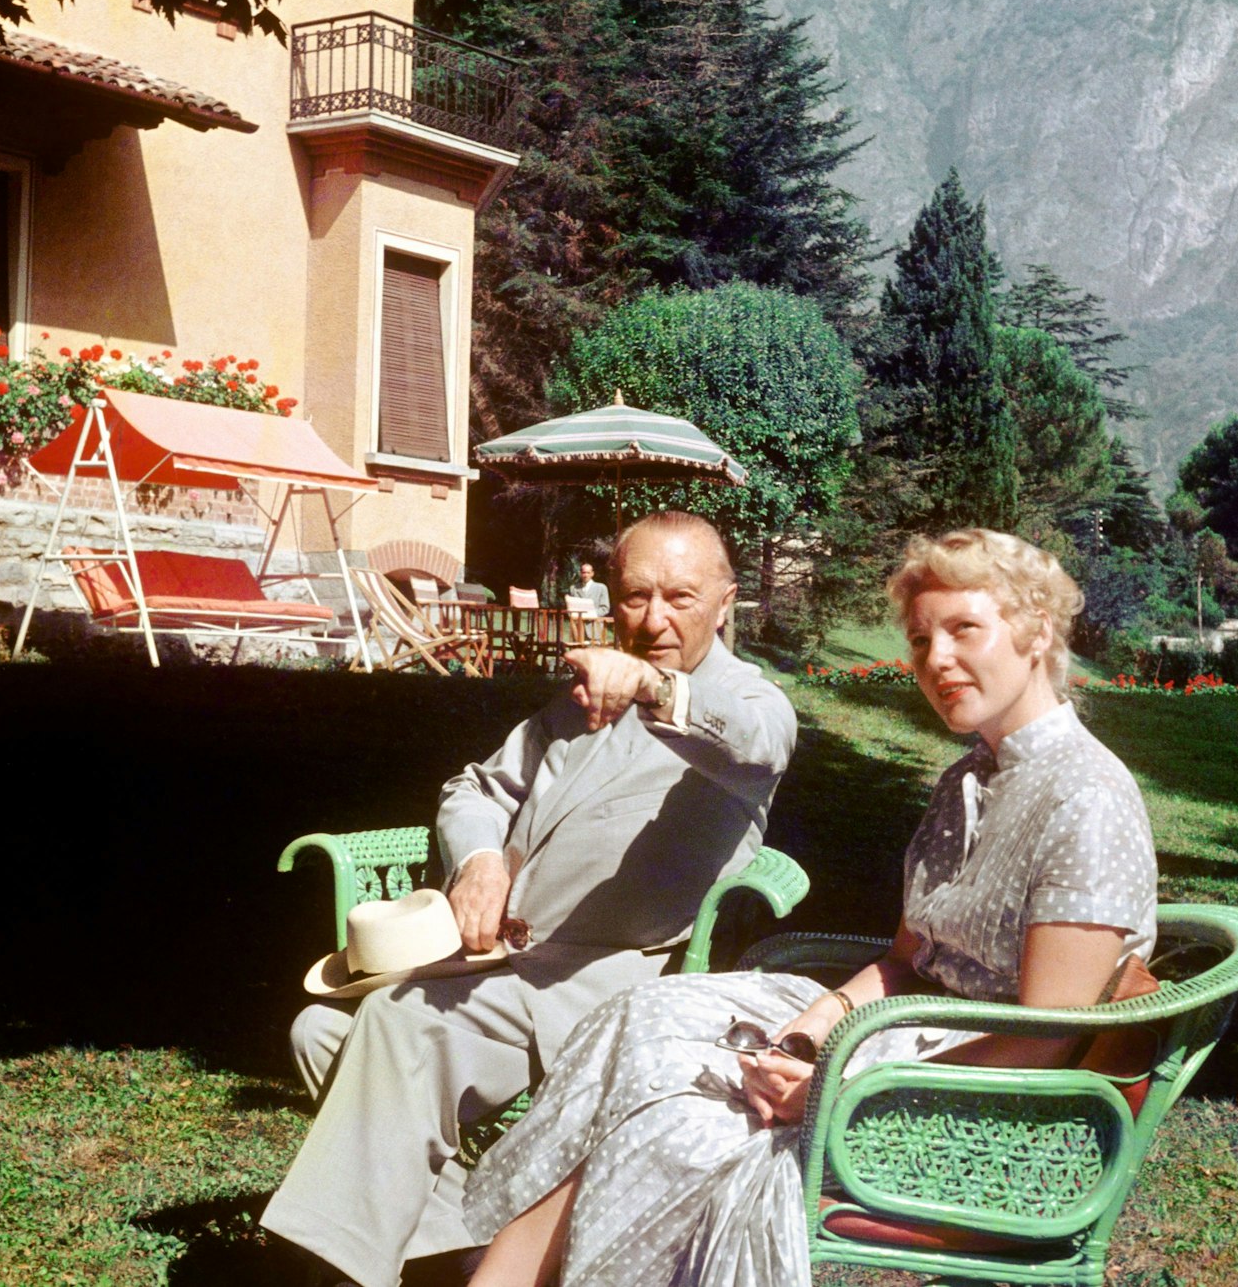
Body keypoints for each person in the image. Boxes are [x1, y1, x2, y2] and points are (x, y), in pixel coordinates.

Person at [460, 528, 1158, 1287]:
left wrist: (836, 1088)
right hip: (904, 1035)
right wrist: (804, 1037)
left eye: (965, 630)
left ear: (1035, 634)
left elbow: (1042, 1040)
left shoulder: (1084, 796)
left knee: (678, 1122)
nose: (938, 661)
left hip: (975, 1104)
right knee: (642, 1020)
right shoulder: (966, 780)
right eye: (922, 639)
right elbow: (902, 962)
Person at [262, 511, 799, 1287]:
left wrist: (653, 686)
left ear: (725, 601)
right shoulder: (578, 701)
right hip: (503, 962)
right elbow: (477, 787)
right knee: (321, 1032)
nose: (653, 620)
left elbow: (759, 743)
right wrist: (481, 859)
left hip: (612, 979)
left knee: (395, 1024)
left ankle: (338, 1275)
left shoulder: (748, 704)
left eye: (679, 597)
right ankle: (456, 1255)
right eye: (635, 596)